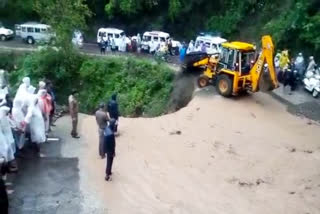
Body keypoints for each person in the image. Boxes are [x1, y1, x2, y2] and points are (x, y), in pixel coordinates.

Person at [0, 106, 17, 172]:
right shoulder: (4, 118)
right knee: (7, 152)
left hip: (4, 138)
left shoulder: (3, 118)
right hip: (5, 138)